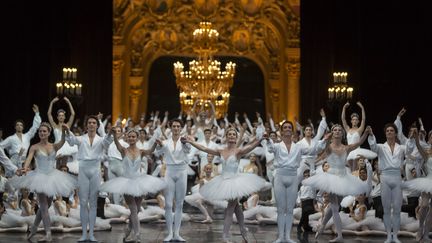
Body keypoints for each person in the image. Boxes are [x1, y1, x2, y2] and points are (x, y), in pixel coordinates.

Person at [183, 128, 269, 242]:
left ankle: (225, 235)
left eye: (234, 134)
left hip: (235, 181)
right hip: (223, 180)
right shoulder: (221, 151)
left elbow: (250, 147)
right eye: (230, 134)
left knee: (230, 208)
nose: (232, 136)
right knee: (236, 207)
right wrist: (191, 142)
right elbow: (204, 148)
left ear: (236, 137)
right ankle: (243, 229)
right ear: (227, 137)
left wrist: (260, 139)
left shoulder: (238, 151)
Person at [303, 124, 371, 242]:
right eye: (335, 130)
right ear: (332, 132)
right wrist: (327, 138)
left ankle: (322, 226)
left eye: (340, 130)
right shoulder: (328, 147)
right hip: (332, 178)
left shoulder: (346, 148)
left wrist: (366, 133)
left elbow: (359, 143)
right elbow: (321, 148)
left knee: (335, 206)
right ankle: (340, 236)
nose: (338, 131)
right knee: (335, 207)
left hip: (343, 178)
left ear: (342, 133)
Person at [12, 122, 77, 242]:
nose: (42, 133)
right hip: (39, 177)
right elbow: (28, 159)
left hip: (52, 177)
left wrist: (64, 131)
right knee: (43, 206)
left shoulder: (54, 146)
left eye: (44, 131)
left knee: (46, 206)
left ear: (49, 133)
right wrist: (25, 167)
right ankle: (48, 234)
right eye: (40, 131)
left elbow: (63, 141)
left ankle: (34, 229)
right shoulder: (34, 147)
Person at [265, 120, 326, 243]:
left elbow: (313, 149)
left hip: (292, 177)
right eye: (285, 127)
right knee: (281, 209)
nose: (287, 129)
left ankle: (287, 237)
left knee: (289, 209)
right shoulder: (277, 146)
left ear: (292, 131)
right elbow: (270, 148)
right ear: (282, 131)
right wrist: (267, 139)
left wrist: (325, 140)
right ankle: (280, 237)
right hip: (280, 177)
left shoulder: (298, 146)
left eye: (289, 127)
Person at [100, 129, 166, 242]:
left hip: (139, 181)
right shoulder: (124, 150)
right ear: (127, 137)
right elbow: (116, 143)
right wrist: (114, 135)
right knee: (134, 209)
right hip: (127, 182)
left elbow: (150, 151)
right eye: (129, 136)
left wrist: (155, 142)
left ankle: (128, 232)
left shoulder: (141, 151)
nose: (131, 138)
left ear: (137, 137)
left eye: (133, 137)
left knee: (135, 211)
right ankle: (137, 235)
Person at [65, 115, 113, 242]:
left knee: (93, 203)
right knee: (83, 202)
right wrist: (66, 130)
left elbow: (107, 142)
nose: (91, 124)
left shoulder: (101, 139)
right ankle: (84, 234)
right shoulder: (81, 138)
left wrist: (109, 133)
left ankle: (91, 233)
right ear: (86, 125)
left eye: (94, 122)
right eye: (89, 122)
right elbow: (71, 140)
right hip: (83, 170)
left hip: (95, 170)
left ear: (97, 125)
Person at [368, 123, 414, 243]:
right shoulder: (380, 147)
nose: (389, 132)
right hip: (385, 177)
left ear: (395, 133)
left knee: (397, 209)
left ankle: (396, 236)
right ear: (385, 133)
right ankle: (389, 235)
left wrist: (411, 137)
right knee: (387, 209)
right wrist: (371, 135)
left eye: (391, 130)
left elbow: (409, 149)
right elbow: (372, 146)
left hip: (397, 177)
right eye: (387, 130)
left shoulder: (401, 147)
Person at [154, 119, 191, 242]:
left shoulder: (185, 140)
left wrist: (185, 143)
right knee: (169, 204)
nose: (176, 128)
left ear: (181, 128)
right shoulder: (165, 142)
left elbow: (187, 150)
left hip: (182, 171)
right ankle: (169, 233)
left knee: (180, 204)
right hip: (169, 171)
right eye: (174, 126)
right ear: (171, 128)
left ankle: (177, 234)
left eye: (178, 126)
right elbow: (158, 153)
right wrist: (159, 145)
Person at [403, 128, 432, 242]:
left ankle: (426, 234)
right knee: (424, 205)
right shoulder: (427, 153)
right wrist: (415, 137)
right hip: (428, 180)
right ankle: (420, 229)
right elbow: (419, 146)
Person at [0, 104, 41, 174]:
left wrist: (37, 113)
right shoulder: (11, 138)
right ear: (15, 127)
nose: (19, 126)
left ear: (23, 127)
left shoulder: (27, 136)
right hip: (14, 161)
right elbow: (0, 146)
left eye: (21, 125)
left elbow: (35, 127)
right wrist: (7, 159)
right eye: (17, 125)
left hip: (24, 161)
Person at [47, 97, 77, 164]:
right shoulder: (54, 125)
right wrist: (52, 103)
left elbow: (73, 114)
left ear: (64, 117)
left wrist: (69, 102)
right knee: (56, 165)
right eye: (59, 115)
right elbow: (49, 114)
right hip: (57, 146)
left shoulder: (67, 125)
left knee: (64, 165)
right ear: (57, 117)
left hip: (66, 148)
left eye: (62, 115)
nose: (61, 117)